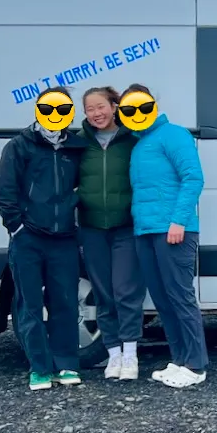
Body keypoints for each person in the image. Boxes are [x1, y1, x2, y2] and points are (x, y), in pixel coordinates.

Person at [0, 86, 88, 391]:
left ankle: (67, 365)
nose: (54, 116)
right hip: (28, 240)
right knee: (29, 305)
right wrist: (16, 226)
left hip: (64, 240)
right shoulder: (19, 146)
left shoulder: (77, 148)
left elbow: (86, 186)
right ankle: (40, 369)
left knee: (66, 304)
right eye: (48, 109)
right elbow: (3, 191)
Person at [119, 83, 208, 388]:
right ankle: (180, 360)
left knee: (180, 297)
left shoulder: (173, 134)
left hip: (172, 231)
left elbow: (193, 177)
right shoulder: (140, 142)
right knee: (162, 299)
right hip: (146, 231)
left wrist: (178, 221)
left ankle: (196, 365)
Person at [76, 86, 145, 380]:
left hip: (125, 227)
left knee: (126, 291)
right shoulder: (78, 143)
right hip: (91, 228)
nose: (96, 114)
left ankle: (130, 356)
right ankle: (113, 355)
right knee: (103, 292)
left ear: (114, 106)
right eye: (90, 109)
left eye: (101, 107)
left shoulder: (133, 139)